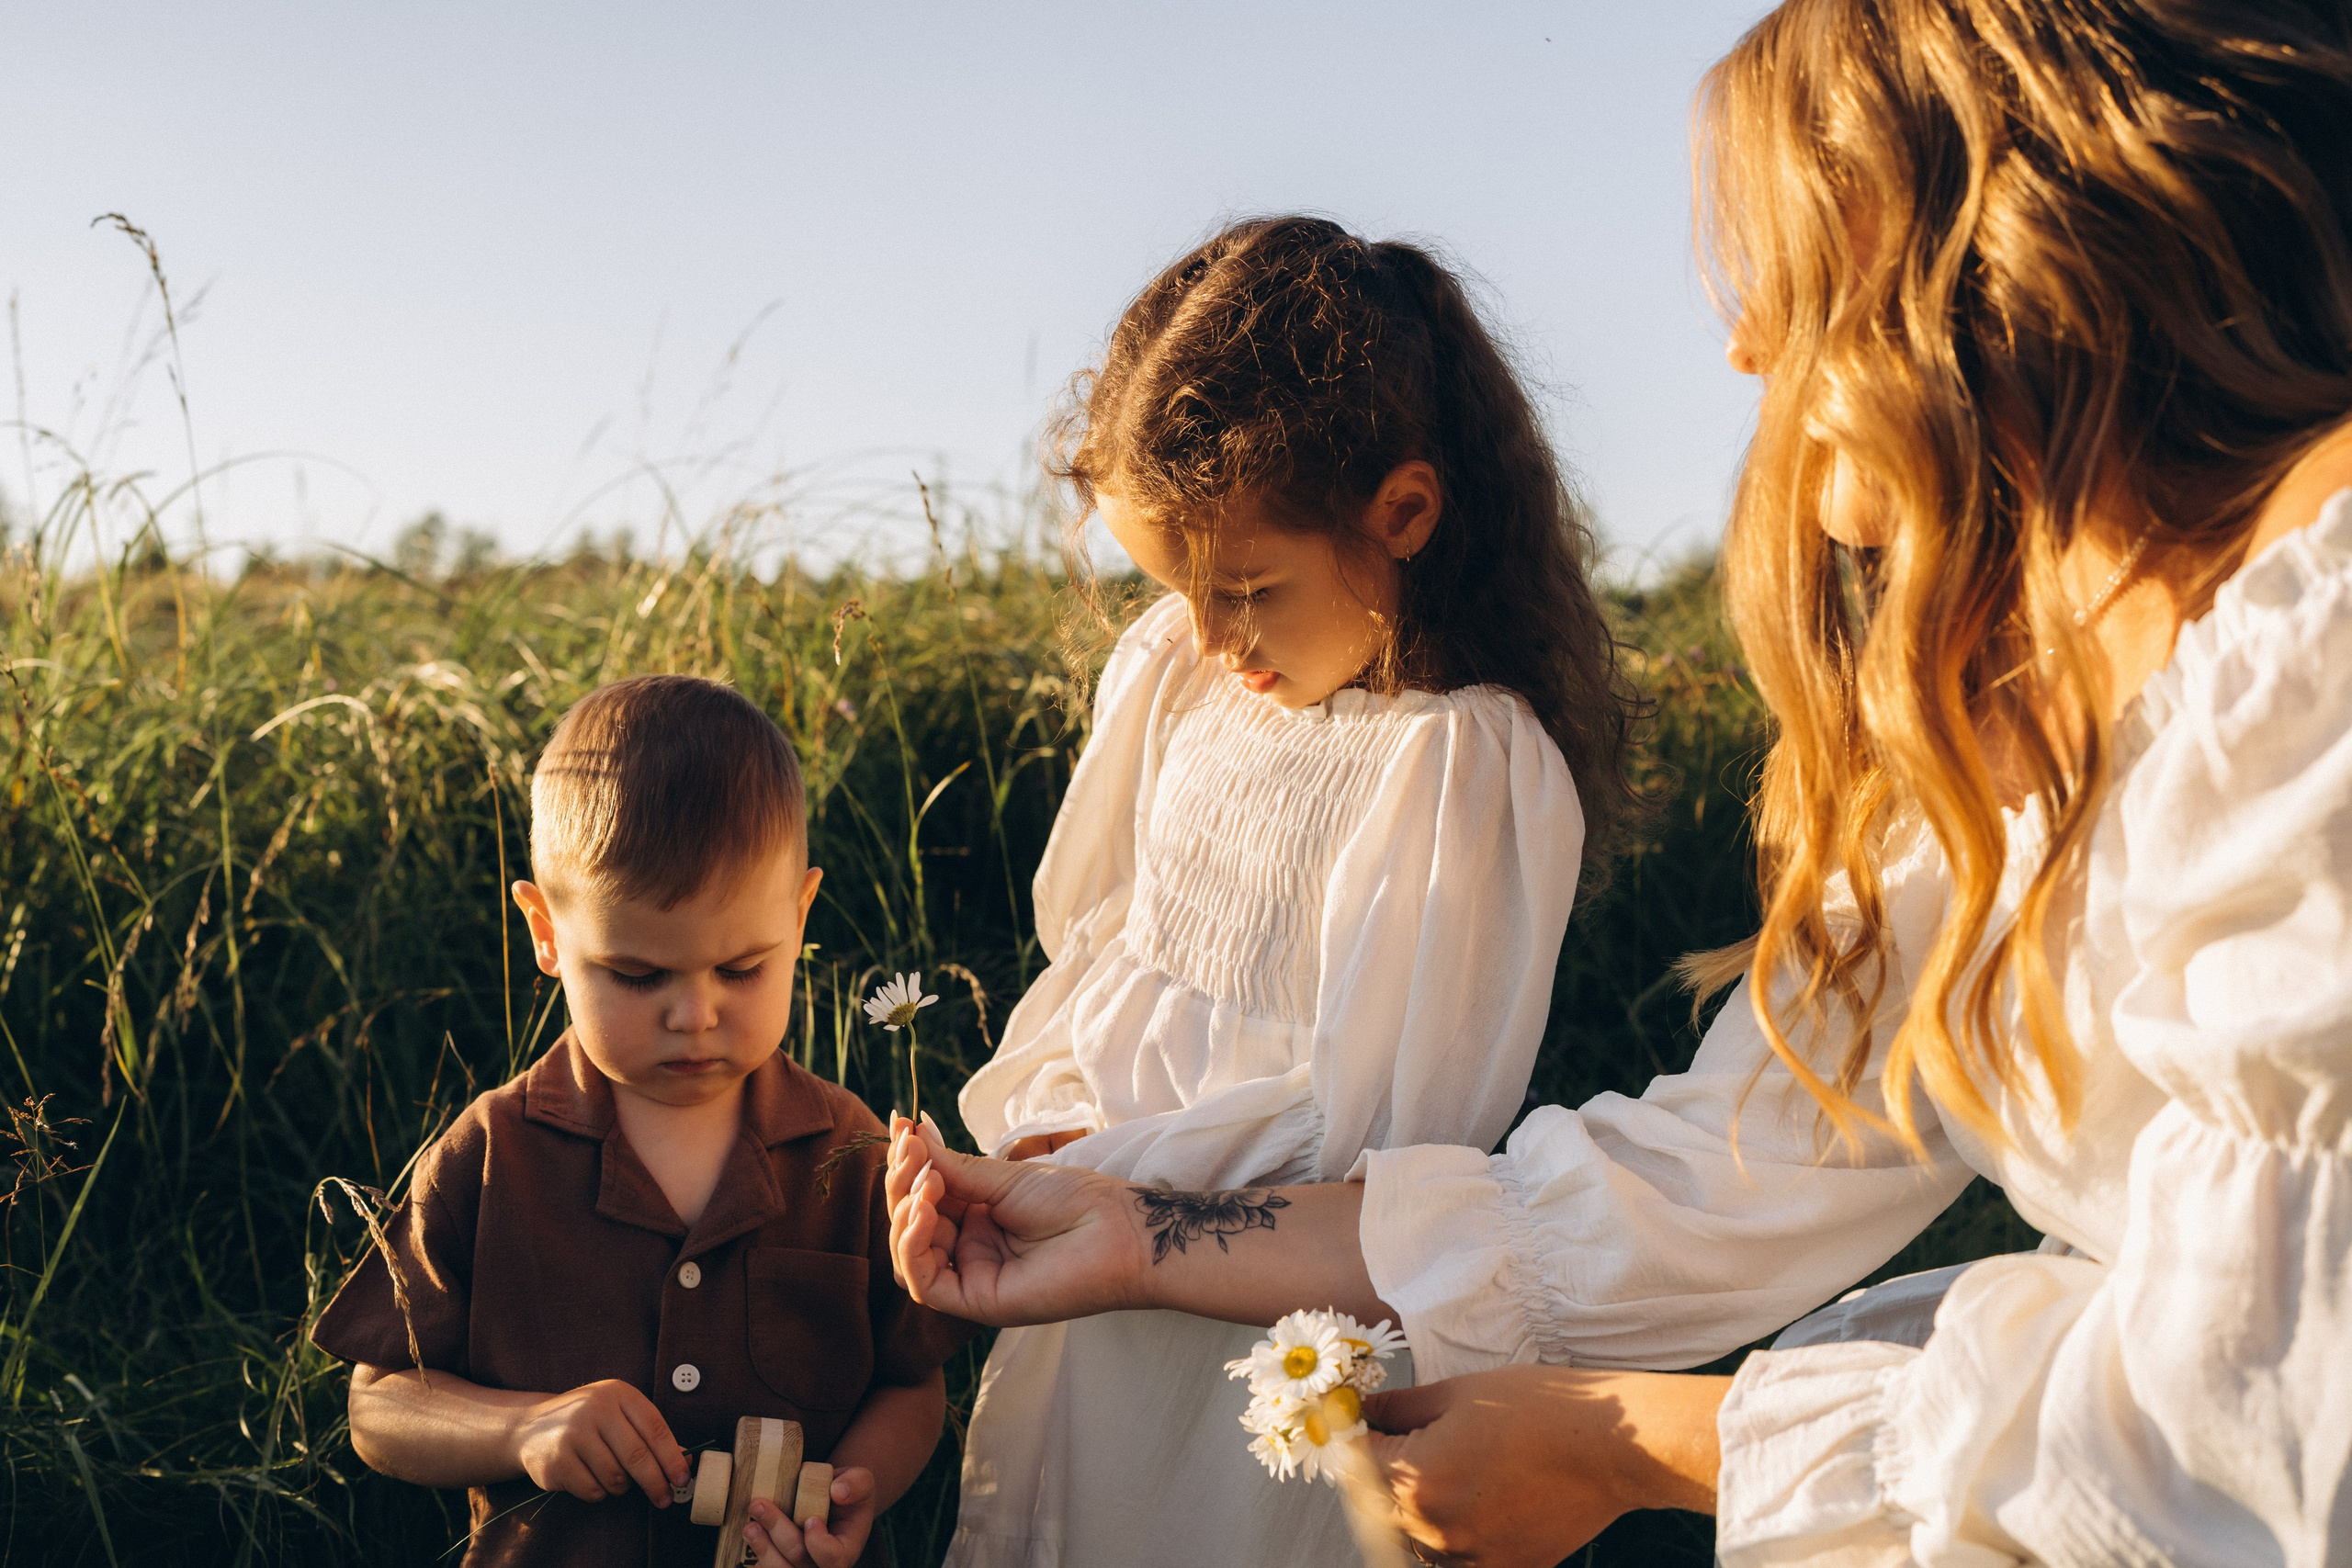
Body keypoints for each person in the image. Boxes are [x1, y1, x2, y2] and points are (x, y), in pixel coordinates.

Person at [887, 2, 2352, 1563]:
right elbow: (1721, 1172)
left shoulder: (2311, 655)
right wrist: (1137, 1232)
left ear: (2014, 246)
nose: (1739, 345)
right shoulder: (1980, 735)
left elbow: (2257, 1422)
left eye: (1794, 255)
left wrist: (1647, 1437)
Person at [941, 216, 1642, 1568]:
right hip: (1086, 1255)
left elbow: (1385, 1130)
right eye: (1179, 590)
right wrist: (1057, 1121)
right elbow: (1096, 940)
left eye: (1251, 588)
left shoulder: (1458, 762)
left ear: (1404, 513)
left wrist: (1117, 1174)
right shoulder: (1181, 669)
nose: (1210, 637)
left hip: (1267, 1310)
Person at [312, 675, 969, 1568]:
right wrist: (524, 1427)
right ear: (545, 931)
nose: (693, 1014)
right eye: (636, 975)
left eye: (741, 969)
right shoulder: (492, 1154)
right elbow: (379, 1404)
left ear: (800, 913)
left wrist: (851, 1493)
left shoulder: (847, 1152)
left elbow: (911, 1380)